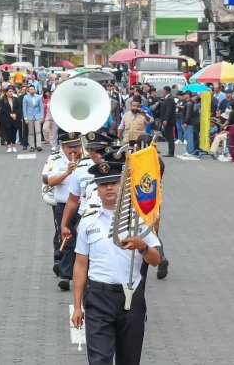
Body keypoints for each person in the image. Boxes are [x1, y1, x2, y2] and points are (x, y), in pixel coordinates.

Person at [69, 150, 162, 365]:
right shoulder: (88, 222)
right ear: (97, 190)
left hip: (130, 298)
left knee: (129, 360)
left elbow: (156, 260)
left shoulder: (139, 220)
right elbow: (80, 265)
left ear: (123, 186)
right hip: (98, 297)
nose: (109, 187)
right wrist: (76, 306)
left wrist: (142, 246)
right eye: (103, 184)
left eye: (113, 182)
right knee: (99, 360)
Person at [59, 135, 107, 291]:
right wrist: (64, 224)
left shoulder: (119, 168)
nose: (98, 154)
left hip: (111, 218)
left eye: (102, 150)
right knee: (84, 257)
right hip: (86, 220)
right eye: (95, 150)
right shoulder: (80, 170)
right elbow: (72, 201)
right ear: (90, 151)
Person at [44, 133, 83, 277]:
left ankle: (80, 272)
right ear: (62, 147)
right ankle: (66, 275)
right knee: (67, 239)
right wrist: (67, 172)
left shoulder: (86, 160)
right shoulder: (55, 159)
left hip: (82, 207)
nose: (73, 150)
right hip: (62, 206)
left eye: (76, 146)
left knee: (83, 238)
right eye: (69, 147)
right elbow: (49, 181)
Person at [0, 87, 21, 152]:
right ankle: (9, 146)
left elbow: (18, 108)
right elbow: (3, 109)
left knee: (14, 132)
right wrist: (10, 114)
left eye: (12, 91)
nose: (11, 93)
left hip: (15, 118)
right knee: (8, 132)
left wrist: (15, 114)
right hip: (6, 118)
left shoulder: (16, 99)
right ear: (6, 93)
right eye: (9, 91)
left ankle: (13, 145)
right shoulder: (3, 100)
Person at [23, 83, 45, 151]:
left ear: (35, 90)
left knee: (38, 131)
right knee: (31, 132)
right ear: (28, 90)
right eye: (30, 89)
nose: (31, 90)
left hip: (37, 116)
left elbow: (41, 108)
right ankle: (32, 146)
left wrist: (42, 117)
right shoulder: (26, 97)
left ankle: (38, 146)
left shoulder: (38, 97)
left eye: (33, 89)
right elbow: (24, 108)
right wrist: (25, 118)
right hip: (29, 116)